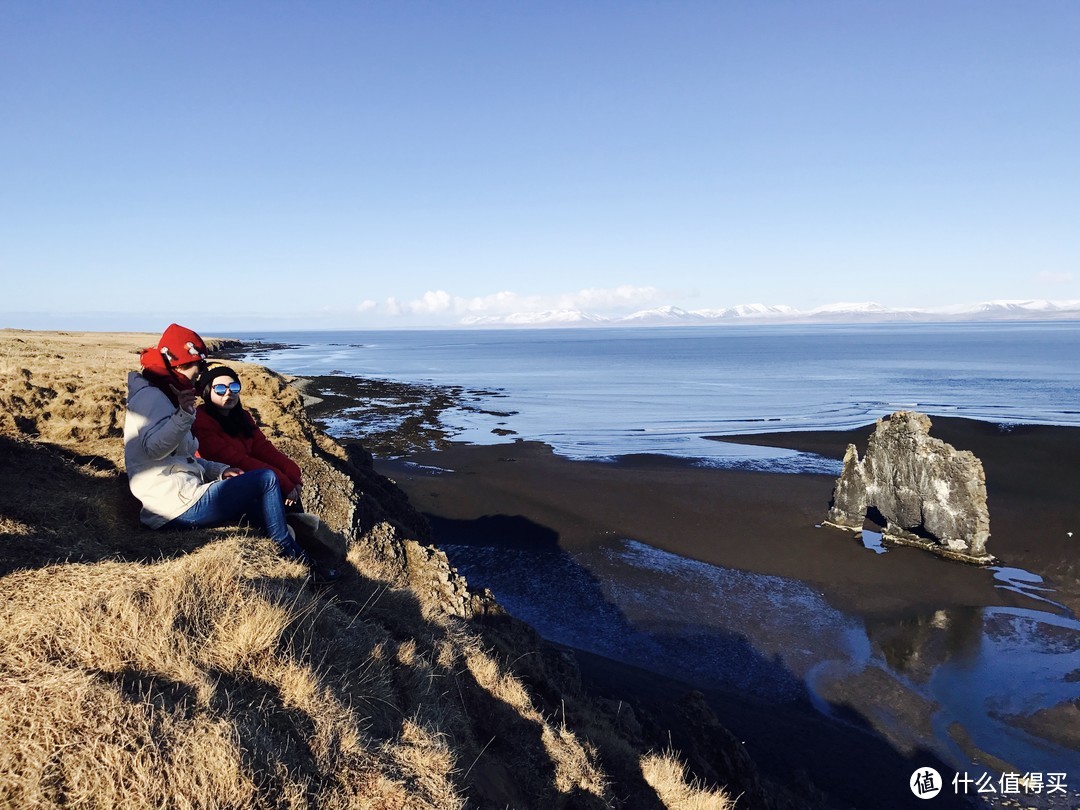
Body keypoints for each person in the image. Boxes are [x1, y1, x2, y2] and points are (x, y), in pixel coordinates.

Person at [123, 324, 337, 583]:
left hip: (181, 495)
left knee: (260, 502)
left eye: (233, 389)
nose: (200, 373)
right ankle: (292, 553)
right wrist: (184, 415)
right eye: (199, 367)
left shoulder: (169, 395)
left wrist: (219, 470)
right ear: (181, 365)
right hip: (173, 505)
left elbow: (186, 456)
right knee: (266, 479)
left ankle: (307, 560)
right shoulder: (154, 398)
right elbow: (154, 449)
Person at [191, 366, 303, 507]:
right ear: (207, 392)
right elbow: (234, 460)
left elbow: (263, 448)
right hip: (220, 481)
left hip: (248, 475)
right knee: (277, 486)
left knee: (290, 494)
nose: (228, 393)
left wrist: (292, 473)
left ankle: (297, 525)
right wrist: (282, 480)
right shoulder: (201, 420)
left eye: (234, 387)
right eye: (220, 389)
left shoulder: (242, 417)